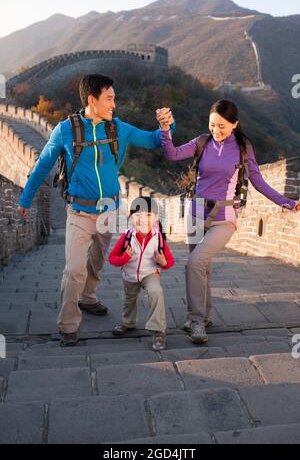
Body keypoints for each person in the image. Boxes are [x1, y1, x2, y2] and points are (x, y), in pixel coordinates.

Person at [17, 74, 175, 347]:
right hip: (79, 212)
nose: (114, 103)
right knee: (74, 269)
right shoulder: (66, 130)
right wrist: (25, 199)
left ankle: (88, 298)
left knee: (97, 261)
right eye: (109, 98)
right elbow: (43, 164)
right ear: (92, 100)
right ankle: (68, 326)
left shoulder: (118, 129)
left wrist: (165, 126)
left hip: (109, 213)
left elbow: (153, 141)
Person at [156, 99, 300, 344]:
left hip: (224, 218)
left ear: (235, 124)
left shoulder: (243, 148)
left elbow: (258, 181)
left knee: (194, 263)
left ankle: (196, 320)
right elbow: (173, 154)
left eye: (222, 126)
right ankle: (206, 315)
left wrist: (286, 202)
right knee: (202, 268)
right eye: (213, 125)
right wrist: (165, 130)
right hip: (195, 213)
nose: (216, 131)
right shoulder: (202, 142)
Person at [108, 197, 175, 351]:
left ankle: (158, 330)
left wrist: (163, 262)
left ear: (156, 218)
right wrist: (125, 257)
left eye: (148, 215)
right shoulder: (127, 237)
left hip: (150, 273)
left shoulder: (158, 238)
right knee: (129, 300)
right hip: (130, 275)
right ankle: (128, 323)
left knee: (156, 292)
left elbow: (169, 262)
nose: (143, 220)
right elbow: (112, 258)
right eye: (138, 215)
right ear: (131, 217)